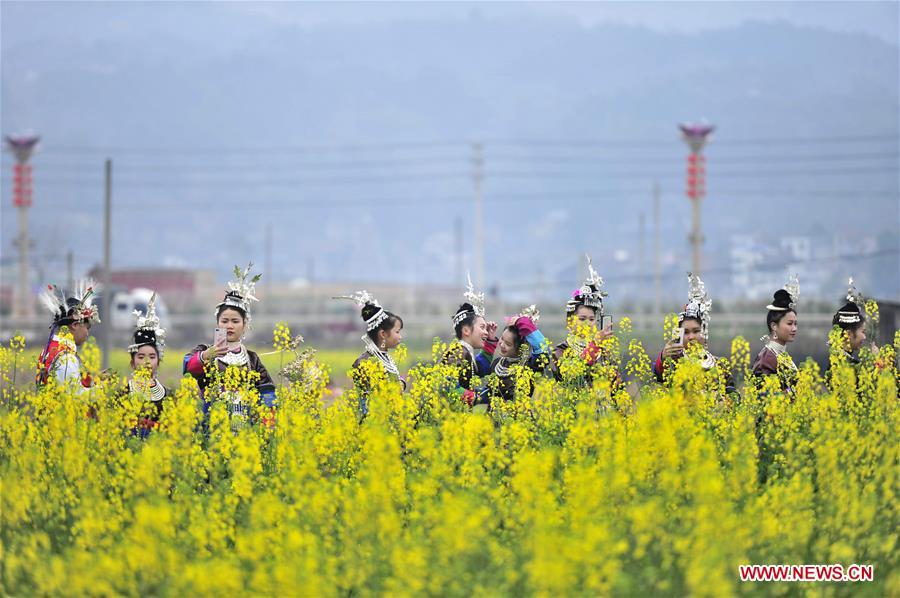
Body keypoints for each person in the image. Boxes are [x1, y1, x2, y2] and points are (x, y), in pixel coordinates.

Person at [183, 264, 275, 427]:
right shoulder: (204, 351)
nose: (229, 326)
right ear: (217, 323)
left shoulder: (252, 359)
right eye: (224, 321)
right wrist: (206, 356)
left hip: (245, 430)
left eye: (235, 321)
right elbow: (189, 369)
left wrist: (267, 428)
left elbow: (267, 394)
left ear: (245, 325)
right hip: (213, 427)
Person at [653, 272, 736, 395]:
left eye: (696, 331)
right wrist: (664, 357)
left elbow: (734, 396)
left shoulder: (719, 365)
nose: (691, 337)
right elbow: (659, 375)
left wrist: (725, 403)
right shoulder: (675, 363)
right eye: (686, 332)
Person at [335, 290, 406, 417]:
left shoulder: (385, 359)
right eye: (397, 332)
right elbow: (363, 402)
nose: (400, 337)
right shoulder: (366, 362)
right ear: (383, 334)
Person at [550, 256, 617, 387]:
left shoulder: (603, 351)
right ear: (569, 322)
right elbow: (571, 377)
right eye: (582, 319)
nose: (588, 323)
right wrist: (594, 345)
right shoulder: (560, 351)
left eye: (592, 319)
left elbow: (616, 387)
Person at [440, 274, 497, 406]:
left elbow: (480, 369)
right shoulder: (457, 352)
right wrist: (477, 398)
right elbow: (447, 386)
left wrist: (490, 340)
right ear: (466, 330)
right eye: (482, 327)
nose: (485, 331)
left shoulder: (465, 351)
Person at [36, 280, 100, 393]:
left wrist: (95, 380)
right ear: (75, 325)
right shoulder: (65, 358)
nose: (87, 333)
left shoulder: (53, 349)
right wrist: (102, 387)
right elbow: (76, 397)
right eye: (87, 328)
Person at [125, 292, 168, 434]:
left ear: (159, 361)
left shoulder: (168, 396)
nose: (147, 362)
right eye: (141, 357)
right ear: (132, 363)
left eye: (152, 356)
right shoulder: (123, 394)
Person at [488, 305, 548, 402]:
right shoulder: (497, 363)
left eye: (508, 344)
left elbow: (542, 347)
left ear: (521, 348)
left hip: (520, 415)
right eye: (502, 338)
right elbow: (487, 394)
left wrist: (521, 322)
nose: (502, 345)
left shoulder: (529, 366)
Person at [752, 275, 799, 389]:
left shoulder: (781, 355)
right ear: (774, 326)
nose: (794, 328)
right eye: (789, 323)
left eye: (795, 324)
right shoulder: (766, 360)